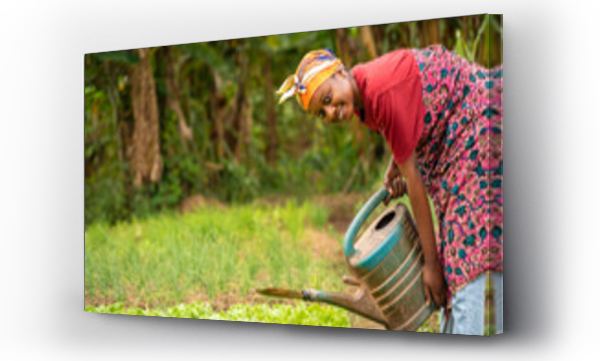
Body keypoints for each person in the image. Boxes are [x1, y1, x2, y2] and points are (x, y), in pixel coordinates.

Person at [277, 46, 503, 335]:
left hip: (475, 124)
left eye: (328, 99)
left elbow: (415, 186)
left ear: (341, 72)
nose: (330, 112)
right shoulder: (363, 94)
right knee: (483, 246)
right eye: (321, 113)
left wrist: (431, 267)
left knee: (465, 256)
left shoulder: (380, 92)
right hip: (462, 130)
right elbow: (408, 115)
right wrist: (397, 161)